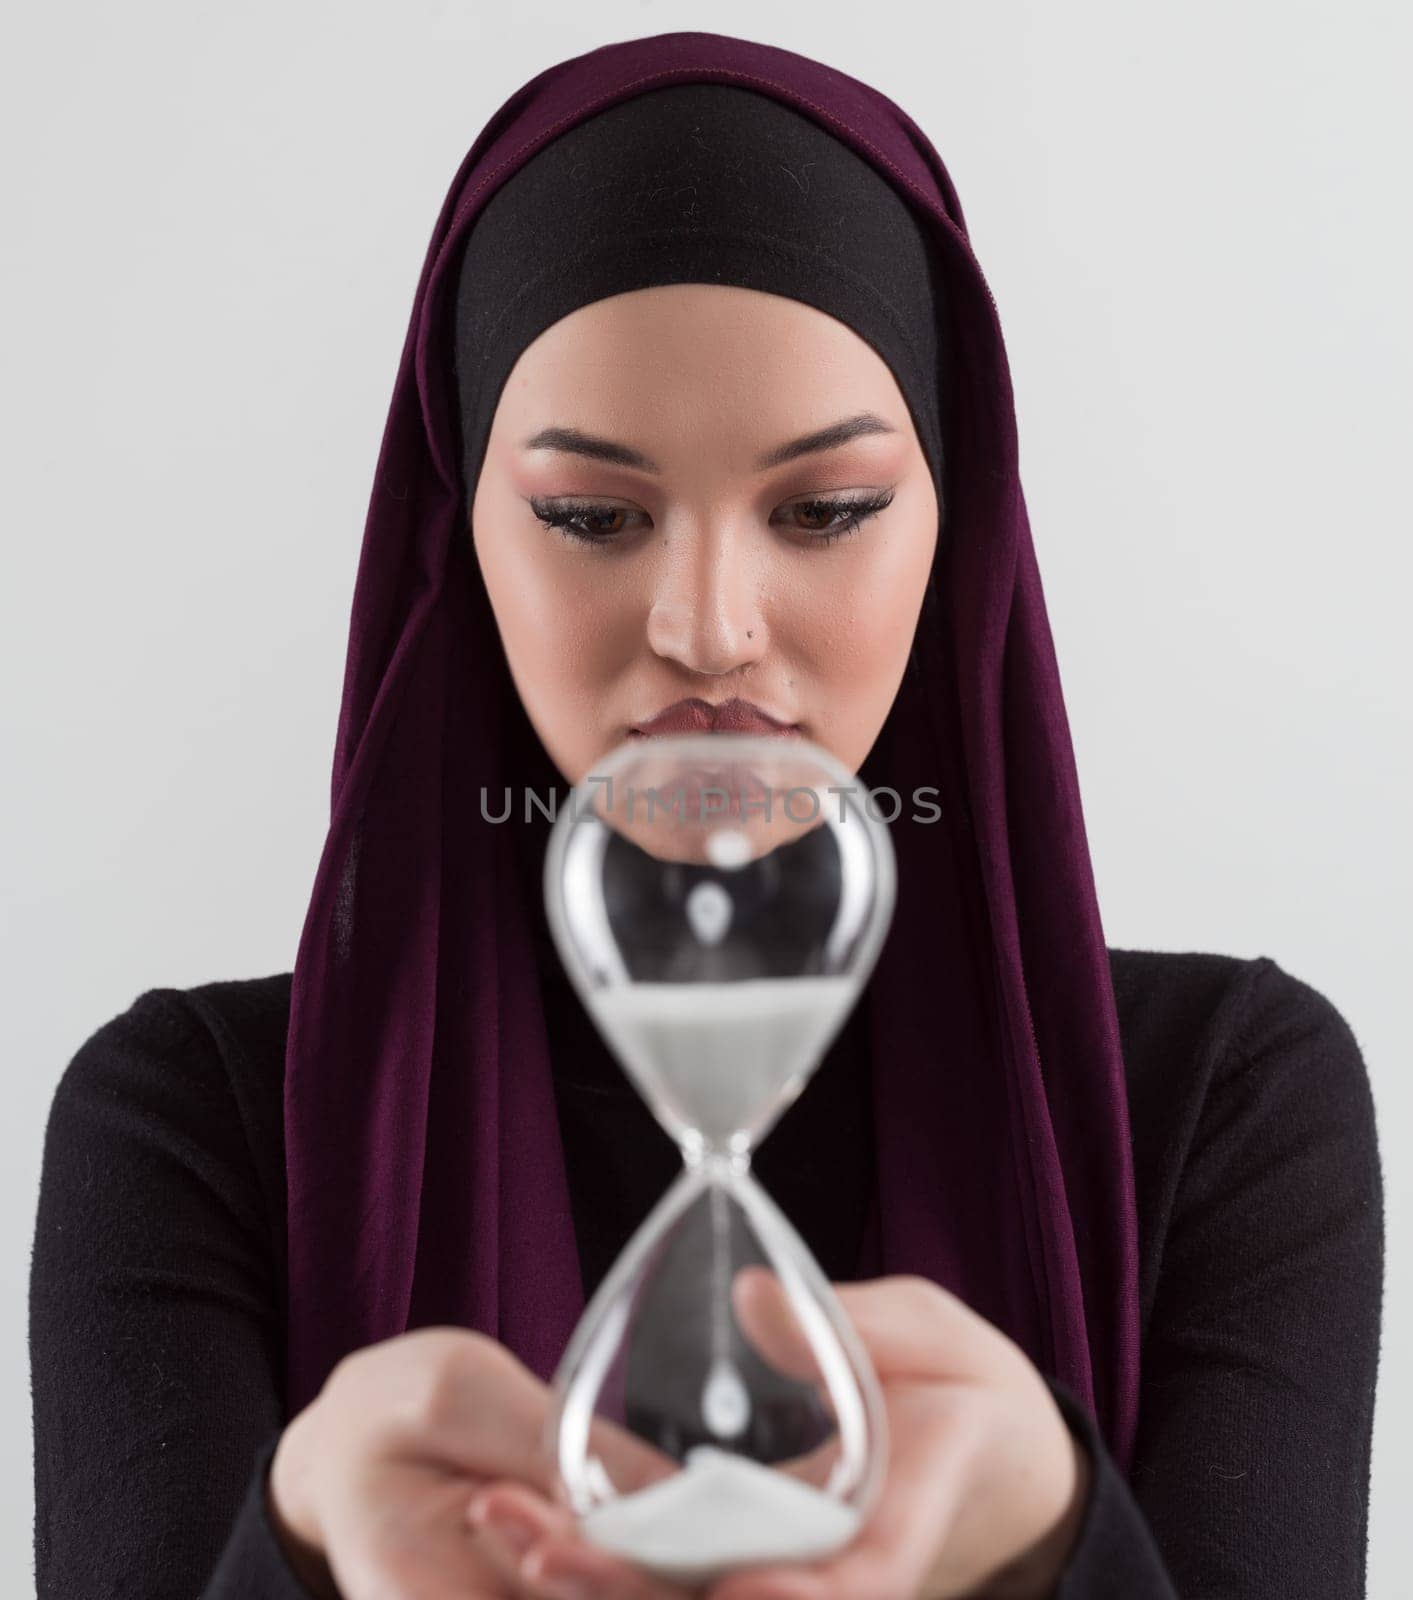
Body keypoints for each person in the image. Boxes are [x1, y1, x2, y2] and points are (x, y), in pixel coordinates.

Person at [28, 30, 1383, 1600]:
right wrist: (304, 1547)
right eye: (592, 517)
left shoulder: (1223, 1108)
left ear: (958, 526)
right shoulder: (190, 1126)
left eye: (823, 511)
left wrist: (1055, 1537)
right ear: (458, 533)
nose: (706, 624)